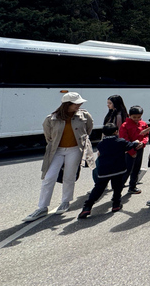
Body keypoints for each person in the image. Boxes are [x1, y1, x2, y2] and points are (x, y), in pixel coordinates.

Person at [23, 92, 95, 222]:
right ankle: (42, 207)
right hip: (57, 151)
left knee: (69, 176)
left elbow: (88, 130)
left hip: (75, 149)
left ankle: (65, 201)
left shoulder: (84, 115)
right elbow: (49, 137)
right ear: (68, 104)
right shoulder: (51, 118)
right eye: (76, 103)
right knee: (49, 177)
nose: (80, 105)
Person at [78, 124, 142, 218]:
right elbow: (130, 146)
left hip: (104, 171)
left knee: (98, 188)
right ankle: (116, 205)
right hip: (118, 170)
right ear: (116, 132)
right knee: (117, 187)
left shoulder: (101, 144)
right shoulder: (121, 141)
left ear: (103, 133)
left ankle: (87, 207)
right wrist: (136, 142)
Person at [93, 94, 129, 183]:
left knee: (99, 165)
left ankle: (100, 184)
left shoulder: (118, 116)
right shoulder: (113, 114)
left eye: (110, 103)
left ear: (115, 104)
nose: (108, 105)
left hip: (111, 144)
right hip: (108, 143)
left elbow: (119, 132)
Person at [118, 105, 149, 194]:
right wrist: (131, 151)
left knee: (136, 168)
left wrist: (143, 142)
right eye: (134, 117)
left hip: (139, 149)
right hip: (129, 151)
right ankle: (118, 190)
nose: (136, 119)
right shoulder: (125, 125)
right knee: (126, 171)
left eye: (138, 117)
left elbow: (146, 135)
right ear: (129, 115)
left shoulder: (143, 124)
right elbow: (124, 139)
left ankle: (132, 186)